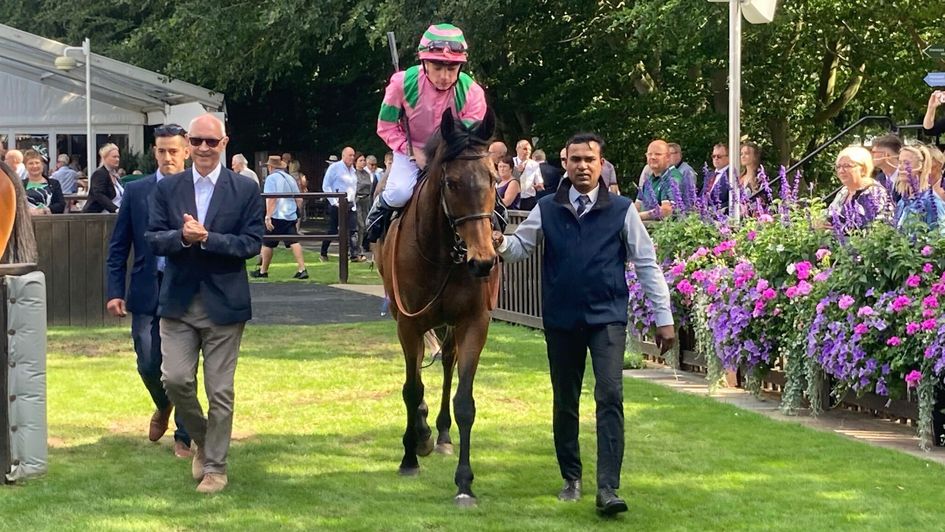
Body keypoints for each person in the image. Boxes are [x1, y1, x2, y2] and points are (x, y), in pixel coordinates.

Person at [492, 132, 674, 517]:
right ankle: (571, 477)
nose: (583, 166)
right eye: (575, 159)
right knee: (565, 400)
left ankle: (608, 487)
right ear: (566, 164)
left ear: (601, 163)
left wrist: (664, 318)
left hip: (606, 318)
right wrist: (497, 244)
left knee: (610, 396)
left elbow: (646, 265)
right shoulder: (548, 206)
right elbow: (520, 246)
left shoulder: (622, 209)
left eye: (590, 159)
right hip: (561, 319)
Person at [145, 114, 265, 494]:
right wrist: (182, 236)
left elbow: (250, 244)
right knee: (175, 379)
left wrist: (208, 238)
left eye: (211, 142)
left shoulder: (244, 190)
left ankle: (215, 467)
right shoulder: (168, 188)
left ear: (224, 143)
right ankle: (201, 438)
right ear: (188, 144)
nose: (203, 148)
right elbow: (152, 237)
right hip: (178, 301)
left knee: (220, 392)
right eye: (196, 141)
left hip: (224, 304)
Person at [106, 124, 193, 458]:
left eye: (174, 150)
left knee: (184, 366)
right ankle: (163, 404)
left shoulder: (196, 189)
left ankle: (184, 436)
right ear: (154, 152)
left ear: (186, 150)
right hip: (146, 287)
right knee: (147, 361)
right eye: (161, 151)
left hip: (186, 287)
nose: (168, 157)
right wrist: (115, 290)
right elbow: (118, 247)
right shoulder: (138, 191)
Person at [364, 23, 487, 243]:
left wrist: (439, 156)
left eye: (451, 68)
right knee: (400, 192)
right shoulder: (402, 84)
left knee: (481, 189)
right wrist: (412, 151)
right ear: (424, 62)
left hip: (452, 155)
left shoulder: (472, 92)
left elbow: (469, 139)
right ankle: (376, 217)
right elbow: (386, 126)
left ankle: (495, 223)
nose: (445, 76)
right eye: (438, 67)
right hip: (410, 151)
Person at [253, 155, 308, 279]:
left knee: (267, 243)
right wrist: (296, 211)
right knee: (294, 241)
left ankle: (263, 271)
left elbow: (271, 198)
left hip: (276, 215)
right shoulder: (290, 178)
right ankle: (302, 268)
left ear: (270, 167)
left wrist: (268, 216)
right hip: (289, 214)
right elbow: (298, 198)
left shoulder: (271, 179)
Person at [827, 146, 892, 230]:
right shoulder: (844, 191)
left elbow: (878, 228)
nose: (841, 171)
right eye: (838, 167)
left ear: (863, 169)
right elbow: (830, 215)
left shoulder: (875, 193)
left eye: (847, 166)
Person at [321, 146, 361, 262]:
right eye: (350, 155)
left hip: (350, 203)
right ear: (343, 156)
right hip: (337, 204)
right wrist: (334, 201)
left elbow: (353, 187)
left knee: (353, 229)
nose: (352, 158)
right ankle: (323, 252)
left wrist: (353, 203)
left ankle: (353, 254)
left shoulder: (353, 170)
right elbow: (326, 185)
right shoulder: (335, 168)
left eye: (353, 155)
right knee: (333, 230)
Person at [636, 139, 683, 221]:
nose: (653, 157)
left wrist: (637, 217)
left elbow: (666, 211)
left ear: (668, 157)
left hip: (663, 230)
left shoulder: (673, 178)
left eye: (658, 154)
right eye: (649, 154)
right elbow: (638, 205)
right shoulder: (649, 179)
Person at [83, 143, 124, 213]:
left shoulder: (115, 175)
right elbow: (99, 194)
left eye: (118, 157)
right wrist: (116, 209)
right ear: (104, 158)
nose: (117, 159)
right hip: (99, 216)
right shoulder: (100, 174)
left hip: (114, 215)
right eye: (114, 157)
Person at [21, 150, 64, 215]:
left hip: (50, 222)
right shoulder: (19, 185)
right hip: (27, 222)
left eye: (37, 163)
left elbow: (61, 205)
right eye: (31, 163)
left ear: (42, 165)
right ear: (25, 166)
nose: (35, 166)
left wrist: (44, 210)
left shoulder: (54, 183)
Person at [513, 139, 544, 210]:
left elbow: (539, 181)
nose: (527, 152)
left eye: (529, 150)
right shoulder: (511, 162)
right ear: (517, 149)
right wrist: (517, 172)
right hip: (513, 197)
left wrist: (539, 186)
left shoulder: (534, 164)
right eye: (525, 149)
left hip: (529, 199)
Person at [354, 153, 373, 259]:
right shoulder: (353, 173)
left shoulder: (366, 173)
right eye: (360, 160)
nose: (363, 162)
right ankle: (356, 248)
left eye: (364, 160)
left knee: (364, 226)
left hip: (366, 200)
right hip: (357, 200)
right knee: (359, 224)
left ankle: (359, 246)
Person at [704, 143, 731, 207]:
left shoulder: (731, 175)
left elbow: (732, 200)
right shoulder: (709, 175)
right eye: (713, 156)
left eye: (719, 156)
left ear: (729, 157)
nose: (716, 158)